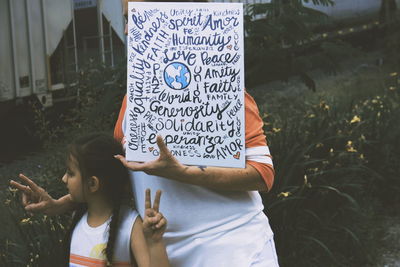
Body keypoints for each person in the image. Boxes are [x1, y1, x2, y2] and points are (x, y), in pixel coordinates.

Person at [11, 0, 279, 266]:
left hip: (238, 250)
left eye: (133, 18)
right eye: (127, 19)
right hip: (164, 253)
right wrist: (63, 203)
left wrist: (183, 174)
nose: (127, 30)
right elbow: (115, 174)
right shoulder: (133, 102)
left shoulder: (224, 88)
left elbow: (262, 174)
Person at [12, 134, 169, 267]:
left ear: (93, 183)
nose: (64, 179)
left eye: (70, 173)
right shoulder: (78, 218)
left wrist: (155, 243)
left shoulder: (131, 226)